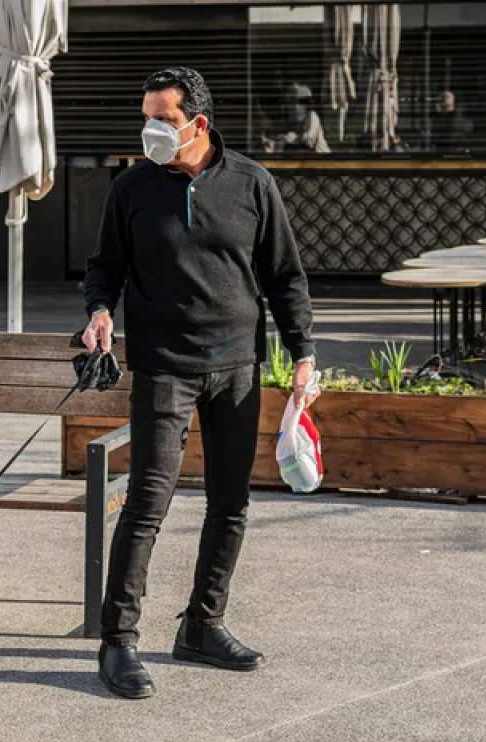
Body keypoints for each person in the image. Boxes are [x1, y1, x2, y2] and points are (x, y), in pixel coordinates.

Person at [83, 67, 317, 699]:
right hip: (164, 366)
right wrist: (100, 312)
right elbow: (105, 266)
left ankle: (202, 625)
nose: (150, 130)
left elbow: (285, 278)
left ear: (198, 124)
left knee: (231, 504)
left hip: (238, 369)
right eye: (147, 116)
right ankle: (119, 640)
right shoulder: (132, 188)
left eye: (163, 119)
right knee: (147, 504)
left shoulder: (252, 184)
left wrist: (302, 354)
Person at [260, 83, 331, 154]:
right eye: (291, 101)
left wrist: (295, 136)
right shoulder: (290, 117)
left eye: (298, 102)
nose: (295, 106)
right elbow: (276, 131)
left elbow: (309, 137)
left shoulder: (312, 115)